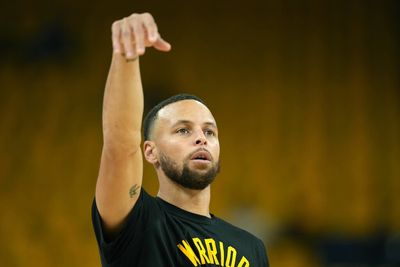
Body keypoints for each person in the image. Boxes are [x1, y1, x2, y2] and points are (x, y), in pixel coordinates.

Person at [91, 12, 269, 267]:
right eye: (183, 130)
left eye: (209, 132)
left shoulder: (252, 247)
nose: (201, 138)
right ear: (150, 152)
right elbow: (120, 145)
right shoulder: (137, 220)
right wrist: (125, 53)